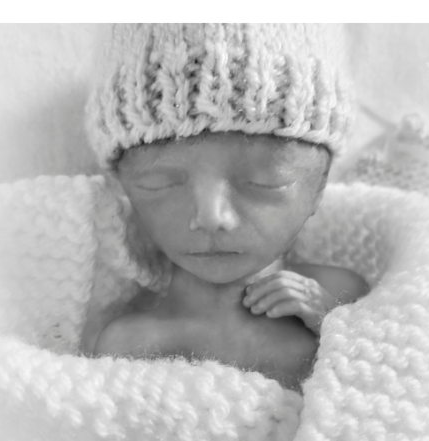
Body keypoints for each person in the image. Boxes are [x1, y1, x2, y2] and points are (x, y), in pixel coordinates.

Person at [81, 23, 368, 392]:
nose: (211, 217)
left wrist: (332, 323)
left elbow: (380, 383)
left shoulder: (340, 294)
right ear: (124, 188)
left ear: (319, 188)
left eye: (264, 183)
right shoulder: (130, 342)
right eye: (159, 184)